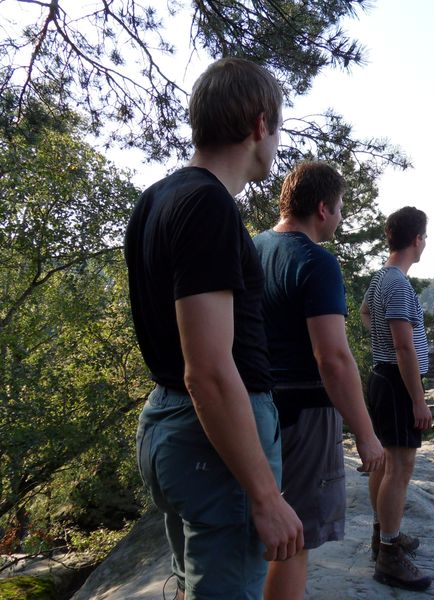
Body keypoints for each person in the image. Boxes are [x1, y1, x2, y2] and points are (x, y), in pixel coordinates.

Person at [125, 57, 302, 600]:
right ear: (259, 124)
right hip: (213, 440)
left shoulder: (155, 199)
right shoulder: (208, 206)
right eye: (278, 128)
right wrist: (265, 496)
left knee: (191, 586)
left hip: (169, 421)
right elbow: (207, 369)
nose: (277, 142)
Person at [253, 160, 385, 599]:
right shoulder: (316, 261)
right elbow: (333, 358)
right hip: (305, 418)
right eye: (341, 206)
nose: (342, 216)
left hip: (250, 410)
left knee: (256, 530)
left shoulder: (251, 250)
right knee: (294, 538)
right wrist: (365, 434)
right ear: (323, 209)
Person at [359, 206, 433, 591]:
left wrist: (380, 339)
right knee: (400, 467)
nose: (426, 243)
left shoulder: (380, 278)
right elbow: (405, 348)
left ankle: (382, 534)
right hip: (397, 383)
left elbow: (365, 312)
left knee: (385, 463)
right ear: (416, 239)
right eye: (426, 236)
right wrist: (418, 400)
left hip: (381, 378)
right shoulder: (399, 284)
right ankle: (389, 554)